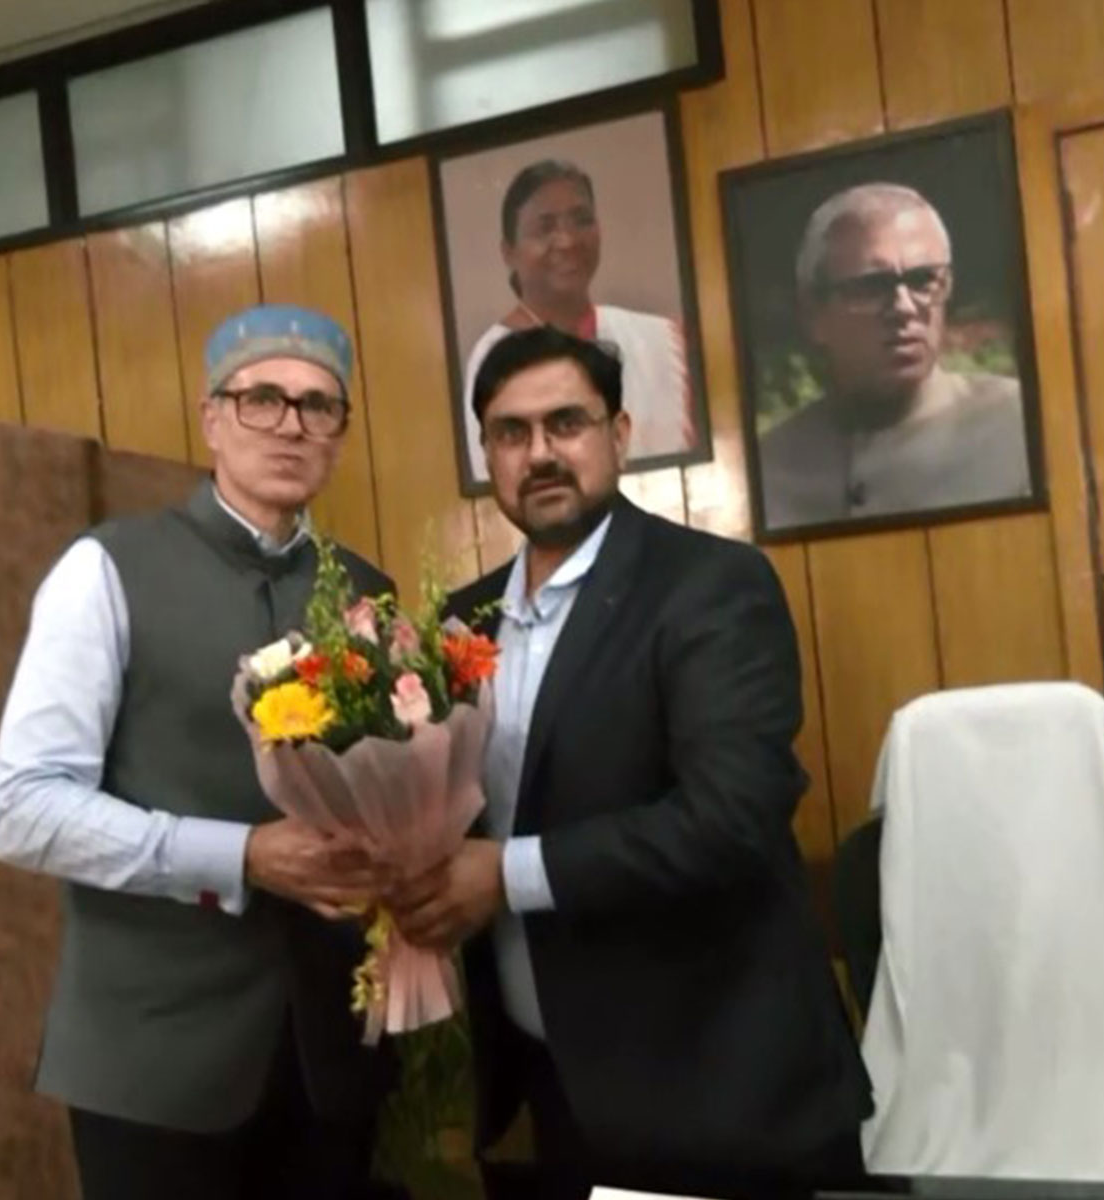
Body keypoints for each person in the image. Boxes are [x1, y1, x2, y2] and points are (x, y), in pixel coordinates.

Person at [390, 326, 871, 1199]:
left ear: (619, 433)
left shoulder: (710, 586)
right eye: (510, 432)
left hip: (720, 1092)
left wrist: (503, 874)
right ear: (486, 453)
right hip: (551, 1094)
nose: (539, 453)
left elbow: (731, 819)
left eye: (566, 423)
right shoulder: (459, 626)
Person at [0, 304, 395, 1200]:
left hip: (330, 1058)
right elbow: (23, 809)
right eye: (262, 399)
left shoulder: (366, 593)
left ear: (339, 434)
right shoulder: (106, 569)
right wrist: (240, 855)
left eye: (318, 407)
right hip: (152, 1064)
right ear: (212, 418)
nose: (290, 424)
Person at [758, 182, 1030, 529]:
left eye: (923, 280)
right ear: (815, 316)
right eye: (872, 286)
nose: (904, 308)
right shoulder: (771, 466)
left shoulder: (1017, 426)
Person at [460, 159, 695, 484]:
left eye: (582, 220)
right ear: (509, 253)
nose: (568, 241)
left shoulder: (659, 340)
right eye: (545, 227)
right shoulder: (492, 357)